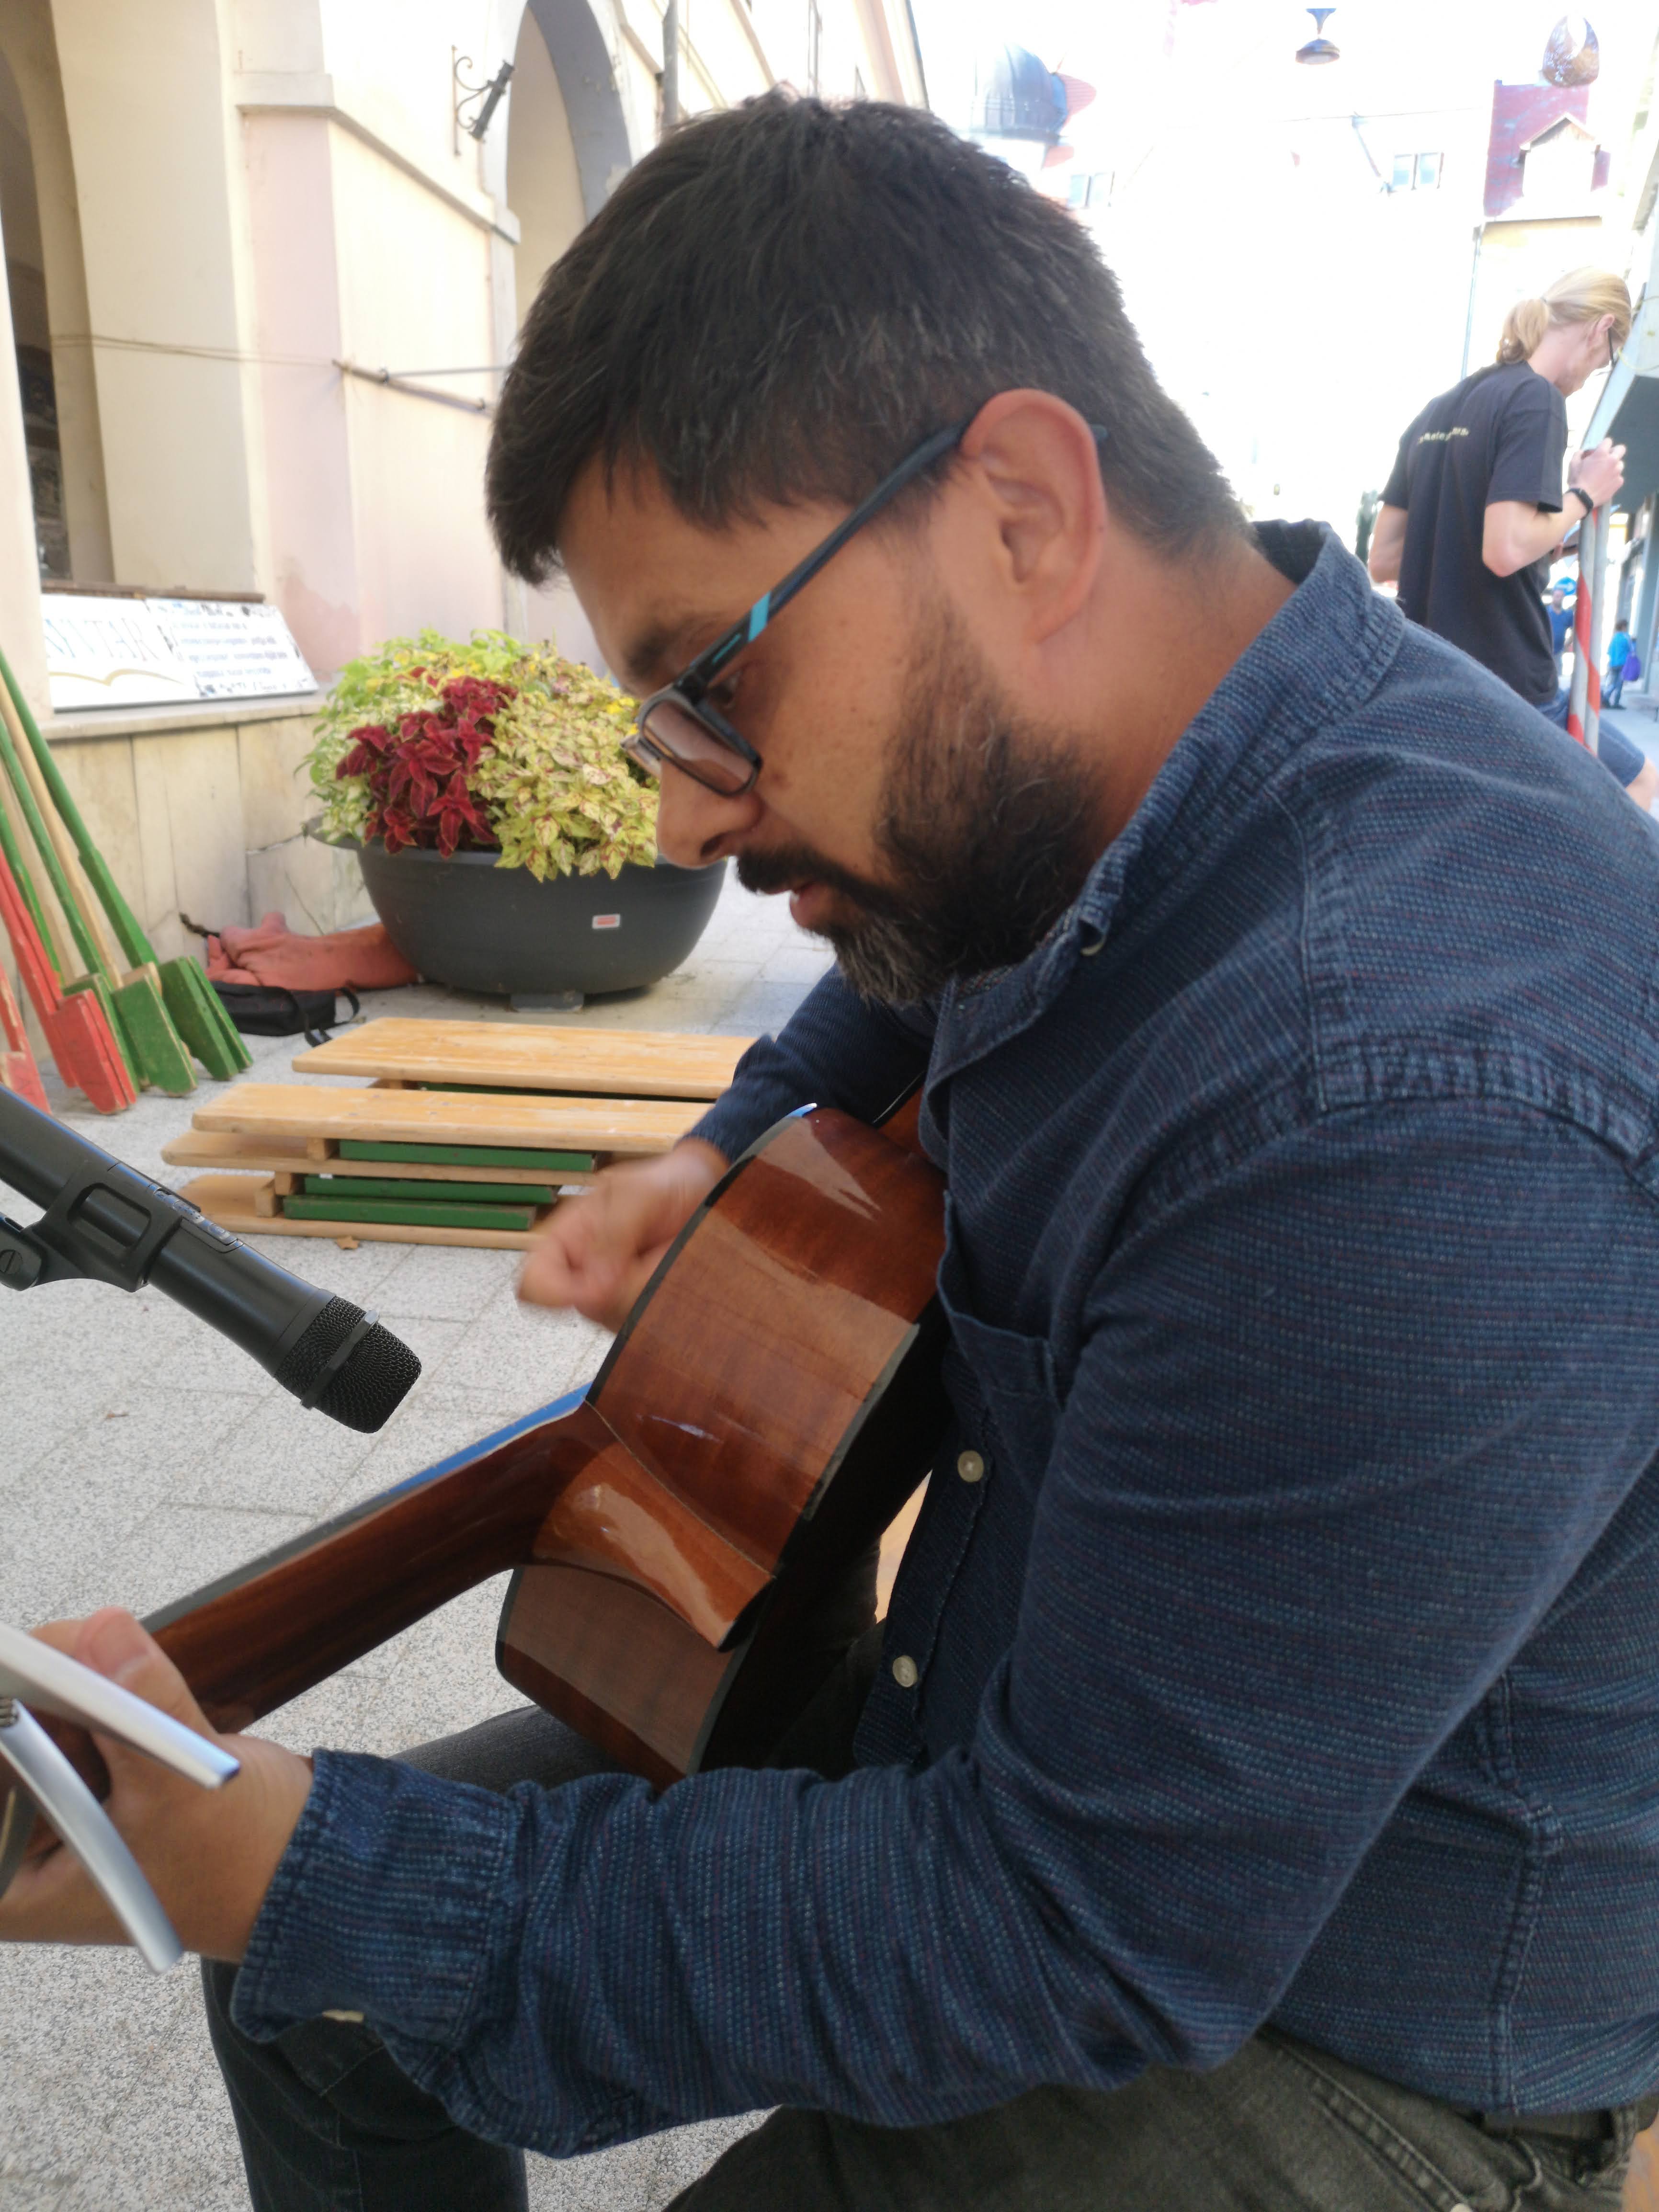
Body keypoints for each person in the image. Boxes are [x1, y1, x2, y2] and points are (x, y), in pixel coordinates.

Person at [8, 94, 1659, 2212]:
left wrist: (320, 1860)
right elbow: (918, 965)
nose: (684, 811)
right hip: (1027, 1710)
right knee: (305, 1984)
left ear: (1021, 514)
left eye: (711, 678)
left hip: (1349, 2014)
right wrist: (733, 1151)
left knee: (332, 1907)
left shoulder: (1404, 1093)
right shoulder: (1130, 758)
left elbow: (1068, 1923)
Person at [1368, 269, 1659, 810]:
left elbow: (1383, 561)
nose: (1590, 377)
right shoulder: (1536, 398)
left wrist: (1542, 534)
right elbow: (1503, 552)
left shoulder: (1437, 409)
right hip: (1507, 681)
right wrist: (1585, 494)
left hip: (1426, 679)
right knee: (1639, 783)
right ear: (1601, 329)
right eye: (1604, 361)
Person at [1606, 617, 1633, 707]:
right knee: (1620, 684)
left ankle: (1606, 697)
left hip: (1613, 663)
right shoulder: (1626, 637)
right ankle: (1616, 703)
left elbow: (1609, 651)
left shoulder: (1615, 637)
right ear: (1624, 627)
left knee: (1613, 682)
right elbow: (1631, 650)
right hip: (1623, 664)